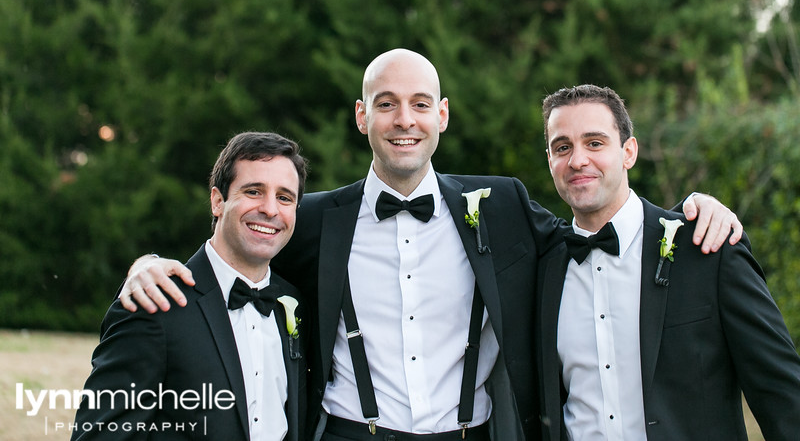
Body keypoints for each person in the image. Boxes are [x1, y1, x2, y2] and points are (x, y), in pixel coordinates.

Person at [119, 49, 741, 441]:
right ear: (362, 117)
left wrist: (687, 216)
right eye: (385, 104)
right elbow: (241, 239)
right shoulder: (312, 219)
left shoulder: (500, 208)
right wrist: (149, 265)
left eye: (420, 104)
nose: (404, 119)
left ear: (442, 115)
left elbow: (596, 234)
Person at [536, 84, 800, 441]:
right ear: (550, 160)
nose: (578, 159)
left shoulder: (707, 247)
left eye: (595, 143)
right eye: (562, 147)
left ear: (629, 151)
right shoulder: (541, 268)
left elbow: (782, 393)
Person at [71, 132, 308, 441]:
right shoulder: (156, 301)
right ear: (217, 201)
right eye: (253, 191)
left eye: (285, 197)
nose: (270, 209)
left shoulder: (295, 301)